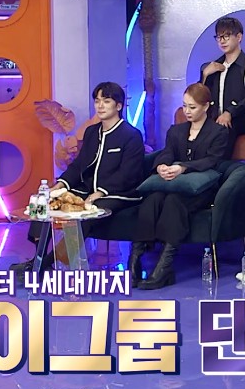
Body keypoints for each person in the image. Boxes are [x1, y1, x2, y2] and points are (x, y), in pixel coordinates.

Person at [11, 82, 146, 275]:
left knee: (88, 212)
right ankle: (37, 259)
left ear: (118, 106)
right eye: (97, 101)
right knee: (49, 202)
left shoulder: (131, 135)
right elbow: (79, 165)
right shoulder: (92, 132)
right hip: (87, 189)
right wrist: (60, 185)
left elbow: (128, 173)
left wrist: (101, 192)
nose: (100, 106)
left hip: (119, 192)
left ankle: (43, 265)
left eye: (106, 101)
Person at [132, 83, 229, 290]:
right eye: (184, 106)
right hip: (172, 184)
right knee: (152, 200)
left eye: (192, 107)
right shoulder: (176, 130)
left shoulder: (218, 132)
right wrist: (162, 166)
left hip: (202, 189)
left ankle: (165, 267)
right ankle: (135, 261)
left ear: (206, 106)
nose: (187, 111)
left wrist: (183, 168)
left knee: (174, 202)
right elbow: (167, 152)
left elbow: (212, 160)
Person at [200, 17, 245, 159]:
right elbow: (199, 96)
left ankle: (217, 168)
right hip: (215, 119)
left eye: (226, 36)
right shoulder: (213, 67)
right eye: (219, 37)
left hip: (241, 119)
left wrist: (230, 112)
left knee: (224, 128)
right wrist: (204, 75)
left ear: (239, 37)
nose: (222, 41)